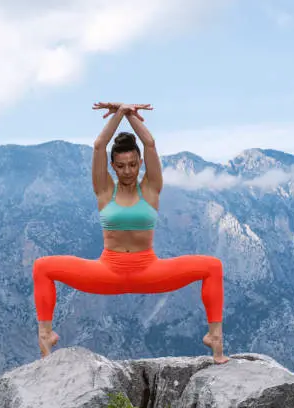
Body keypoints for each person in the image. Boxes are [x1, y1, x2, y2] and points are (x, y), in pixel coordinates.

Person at [32, 102, 229, 364]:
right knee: (42, 267)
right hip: (108, 271)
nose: (128, 171)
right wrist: (118, 115)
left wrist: (129, 114)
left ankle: (215, 338)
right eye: (122, 165)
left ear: (139, 164)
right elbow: (99, 145)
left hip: (147, 270)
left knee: (212, 267)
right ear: (113, 166)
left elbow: (150, 144)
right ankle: (46, 335)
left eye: (133, 165)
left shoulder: (151, 189)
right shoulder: (104, 190)